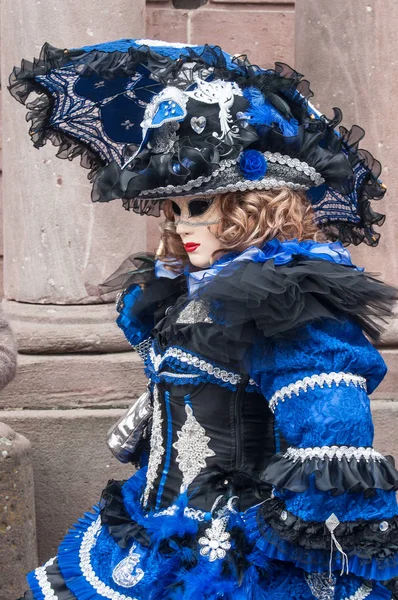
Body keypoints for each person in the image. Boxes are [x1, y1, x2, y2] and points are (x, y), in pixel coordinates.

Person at [10, 40, 398, 599]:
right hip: (156, 523)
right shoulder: (186, 291)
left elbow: (330, 436)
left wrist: (291, 539)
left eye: (199, 206)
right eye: (173, 209)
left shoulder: (288, 303)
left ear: (253, 207)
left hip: (238, 550)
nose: (182, 223)